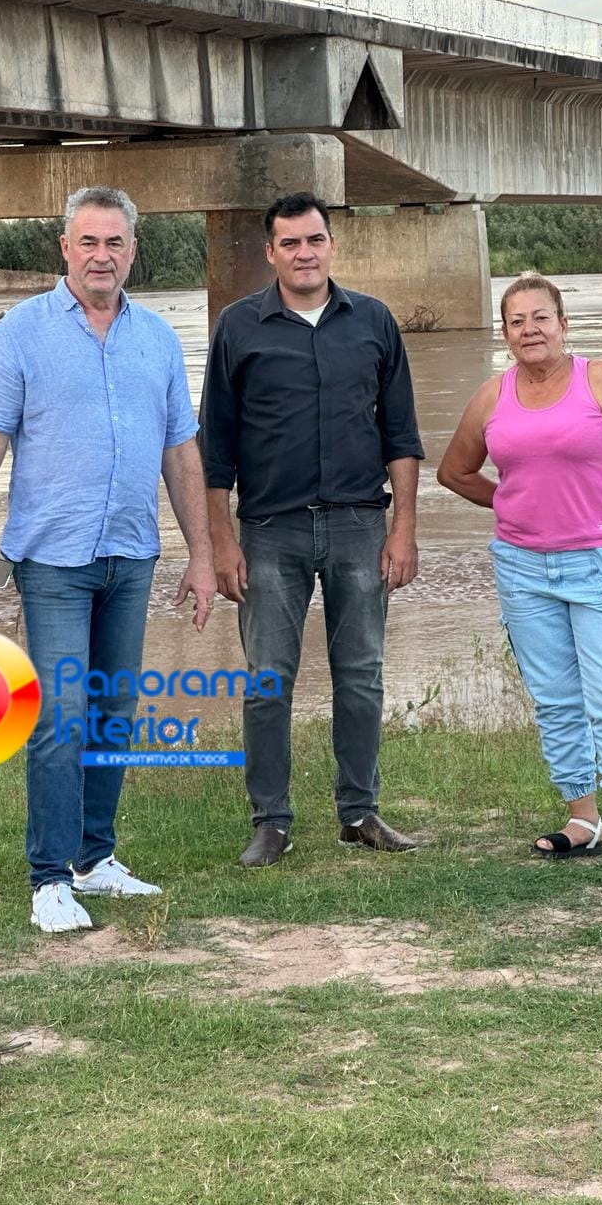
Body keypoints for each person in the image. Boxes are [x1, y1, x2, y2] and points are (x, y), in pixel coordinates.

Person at [0, 185, 216, 932]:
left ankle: (96, 859)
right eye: (88, 242)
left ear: (133, 251)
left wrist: (201, 555)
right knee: (62, 715)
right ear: (64, 249)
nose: (102, 256)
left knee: (114, 710)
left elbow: (181, 453)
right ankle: (49, 878)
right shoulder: (21, 333)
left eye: (115, 242)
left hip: (131, 554)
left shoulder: (157, 339)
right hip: (54, 561)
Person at [199, 191, 424, 867]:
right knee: (268, 679)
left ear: (331, 245)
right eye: (290, 243)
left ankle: (359, 812)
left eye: (315, 240)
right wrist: (221, 541)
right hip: (271, 531)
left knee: (361, 674)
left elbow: (401, 434)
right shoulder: (239, 327)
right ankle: (271, 822)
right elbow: (215, 446)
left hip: (360, 525)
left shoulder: (374, 321)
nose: (305, 253)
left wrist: (404, 528)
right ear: (270, 252)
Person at [437, 274, 602, 869]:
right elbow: (454, 472)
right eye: (516, 321)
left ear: (563, 325)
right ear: (505, 334)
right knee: (556, 700)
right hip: (523, 568)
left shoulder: (601, 379)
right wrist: (514, 502)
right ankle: (581, 819)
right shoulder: (492, 396)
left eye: (541, 317)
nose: (530, 330)